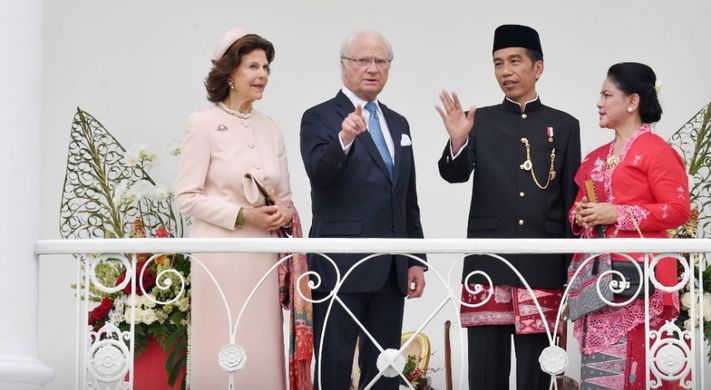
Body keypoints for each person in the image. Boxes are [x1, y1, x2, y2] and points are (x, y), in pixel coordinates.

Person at [437, 25, 581, 390]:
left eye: (515, 62)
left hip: (543, 267)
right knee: (485, 373)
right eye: (498, 63)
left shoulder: (564, 125)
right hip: (488, 262)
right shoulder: (479, 120)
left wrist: (569, 275)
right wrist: (457, 140)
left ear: (538, 68)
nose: (505, 72)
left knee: (538, 374)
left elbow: (569, 201)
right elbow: (453, 175)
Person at [176, 28, 311, 389]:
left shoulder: (270, 128)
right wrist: (242, 215)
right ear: (230, 73)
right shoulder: (201, 124)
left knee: (261, 346)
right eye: (253, 66)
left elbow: (285, 196)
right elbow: (186, 197)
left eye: (266, 67)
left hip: (263, 258)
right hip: (219, 256)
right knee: (219, 345)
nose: (262, 75)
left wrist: (283, 212)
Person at [299, 30, 426, 390]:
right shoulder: (319, 117)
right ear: (344, 66)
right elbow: (319, 176)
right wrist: (344, 139)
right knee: (334, 363)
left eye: (380, 61)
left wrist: (414, 257)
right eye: (363, 61)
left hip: (390, 266)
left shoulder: (398, 123)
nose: (372, 69)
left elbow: (406, 197)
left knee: (386, 365)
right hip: (341, 263)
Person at [568, 62, 690, 389]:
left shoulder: (656, 151)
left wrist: (617, 214)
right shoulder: (594, 157)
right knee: (599, 372)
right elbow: (577, 207)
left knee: (635, 370)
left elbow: (678, 210)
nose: (599, 102)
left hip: (640, 280)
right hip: (597, 283)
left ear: (632, 101)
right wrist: (581, 215)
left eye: (607, 95)